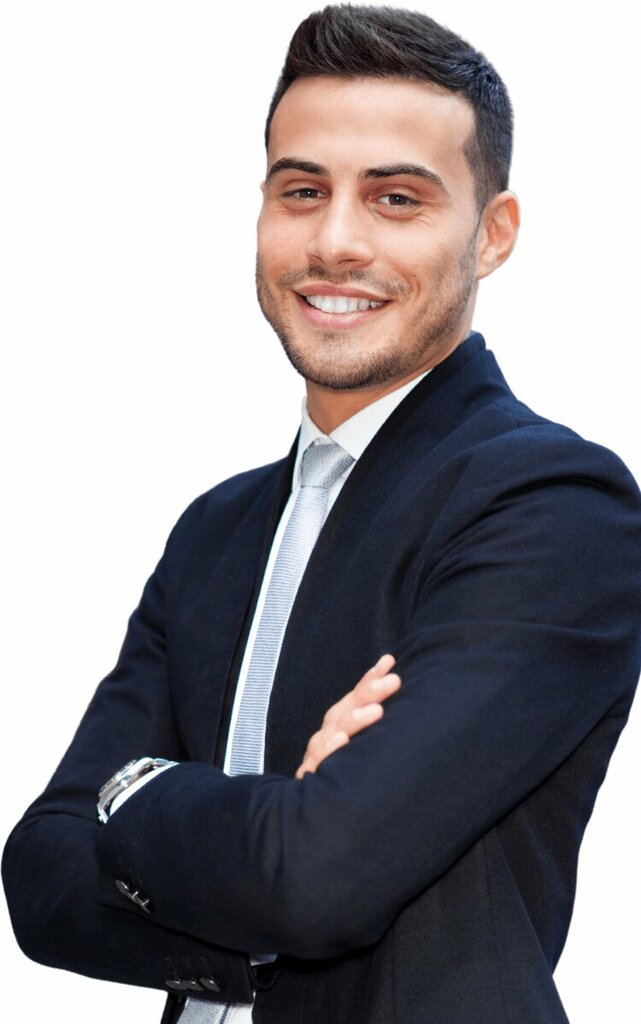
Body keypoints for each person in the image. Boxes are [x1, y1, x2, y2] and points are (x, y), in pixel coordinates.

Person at [3, 5, 641, 1023]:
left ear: (491, 235)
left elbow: (316, 878)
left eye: (395, 198)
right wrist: (270, 828)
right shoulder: (214, 531)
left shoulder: (553, 508)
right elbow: (39, 879)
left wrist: (132, 795)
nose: (335, 242)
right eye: (301, 191)